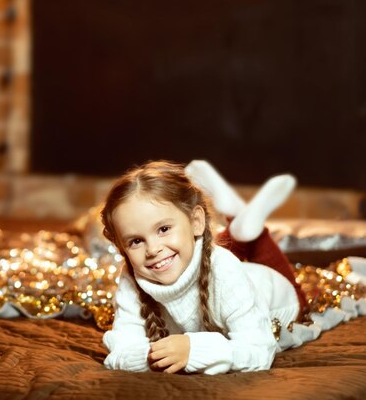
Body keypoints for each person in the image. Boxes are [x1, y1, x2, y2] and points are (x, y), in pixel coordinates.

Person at [100, 160, 313, 375]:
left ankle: (243, 222)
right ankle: (239, 223)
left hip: (274, 289)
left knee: (295, 294)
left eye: (163, 229)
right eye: (136, 241)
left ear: (196, 221)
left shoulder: (225, 270)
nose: (153, 249)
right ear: (121, 248)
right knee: (201, 255)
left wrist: (194, 350)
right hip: (216, 272)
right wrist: (153, 356)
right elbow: (121, 352)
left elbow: (258, 351)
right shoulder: (131, 278)